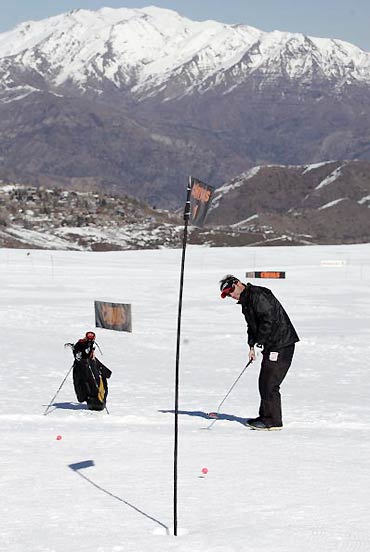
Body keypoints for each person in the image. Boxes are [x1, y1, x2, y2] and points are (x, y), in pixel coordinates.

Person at [219, 274, 299, 431]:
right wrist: (251, 346)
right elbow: (252, 326)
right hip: (272, 345)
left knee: (269, 383)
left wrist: (259, 340)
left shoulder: (258, 295)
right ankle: (265, 417)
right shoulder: (246, 302)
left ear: (238, 283)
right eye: (228, 294)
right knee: (265, 382)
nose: (231, 295)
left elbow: (267, 320)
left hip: (281, 344)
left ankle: (273, 421)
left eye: (231, 290)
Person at [71, 331, 112, 411]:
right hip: (100, 404)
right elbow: (108, 374)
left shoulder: (83, 364)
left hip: (91, 404)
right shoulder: (92, 363)